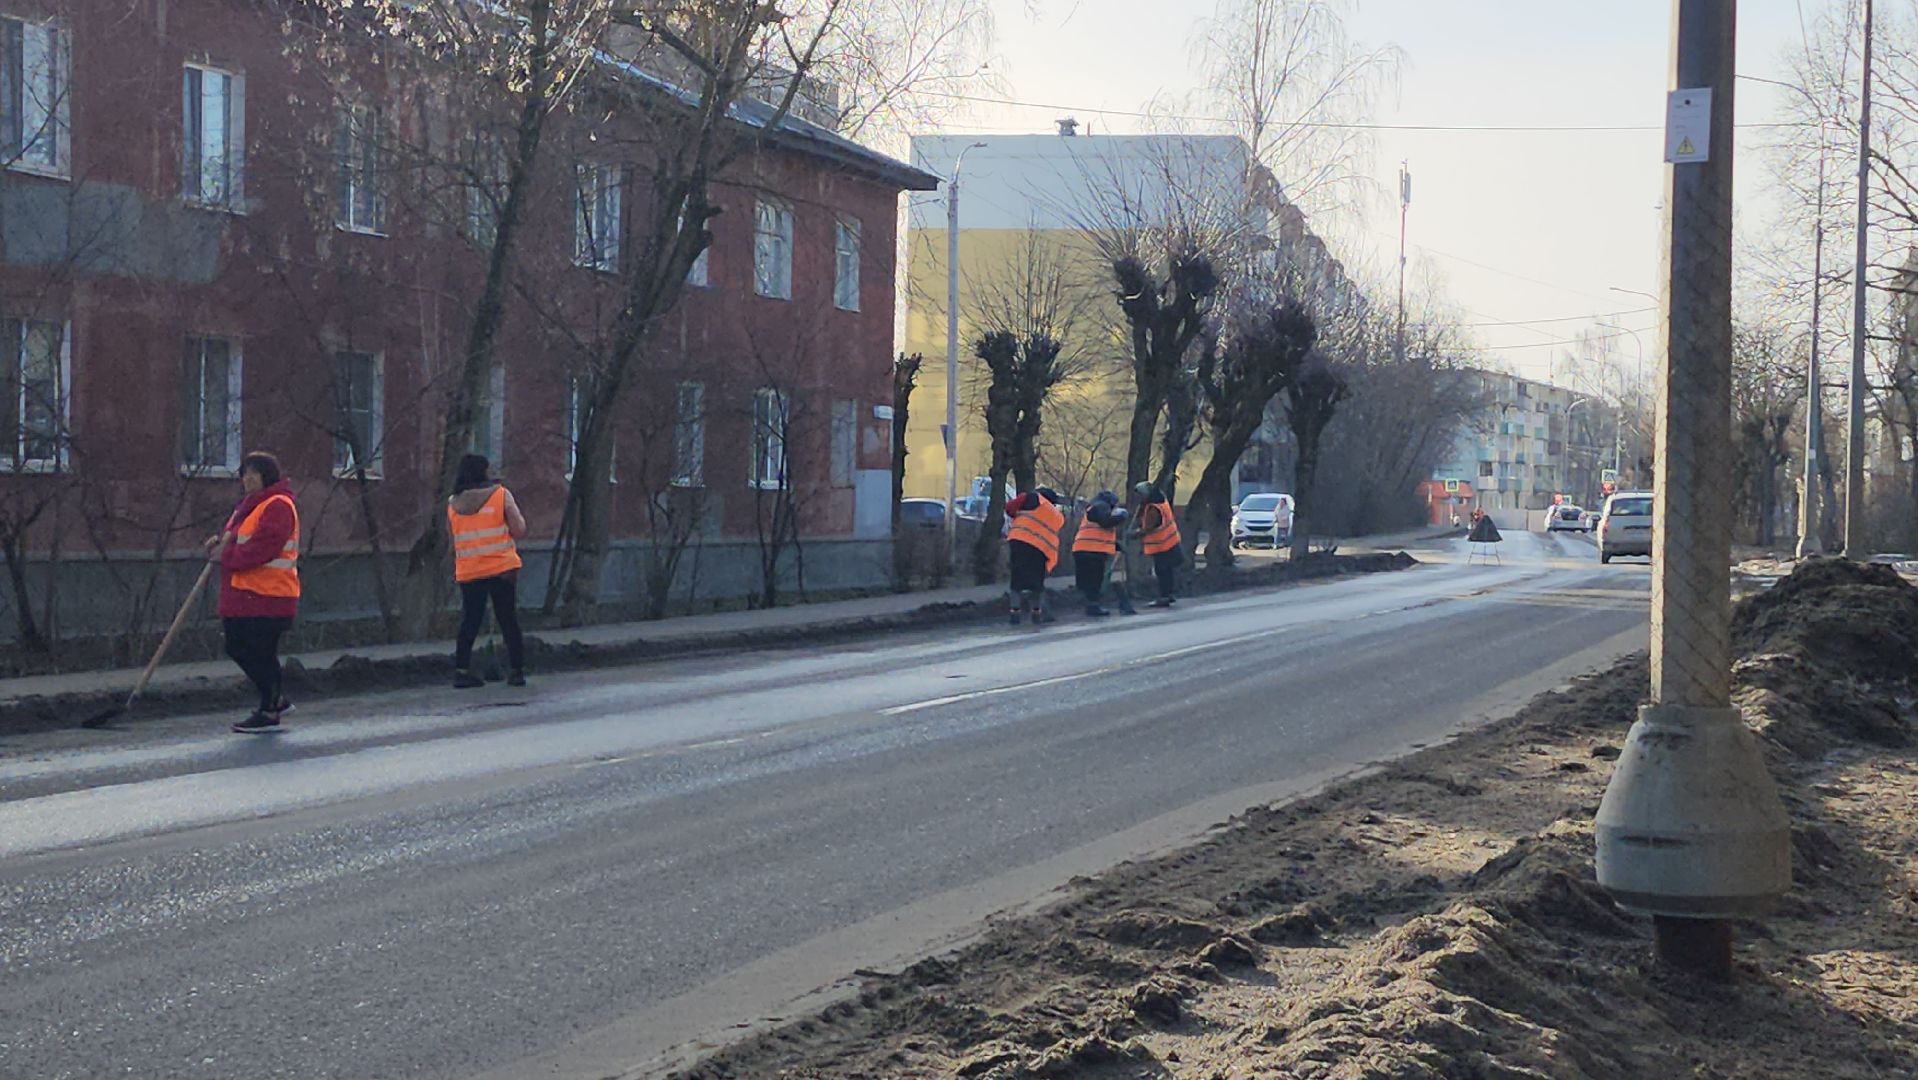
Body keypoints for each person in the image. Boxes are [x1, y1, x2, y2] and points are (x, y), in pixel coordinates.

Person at [208, 451, 299, 734]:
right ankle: (274, 699)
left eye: (254, 473)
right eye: (245, 473)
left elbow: (263, 548)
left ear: (267, 476)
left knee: (257, 651)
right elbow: (237, 541)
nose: (247, 478)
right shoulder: (247, 507)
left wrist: (226, 556)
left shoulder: (278, 505)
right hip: (244, 594)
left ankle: (270, 708)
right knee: (241, 647)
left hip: (268, 595)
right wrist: (218, 545)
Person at [448, 454, 528, 688]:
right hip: (501, 567)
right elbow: (519, 528)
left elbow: (452, 537)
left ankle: (461, 671)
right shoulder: (500, 495)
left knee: (470, 621)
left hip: (469, 570)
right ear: (483, 472)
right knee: (508, 619)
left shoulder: (453, 503)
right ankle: (516, 671)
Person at [1004, 487, 1065, 626]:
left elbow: (1009, 508)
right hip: (1041, 549)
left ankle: (1015, 613)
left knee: (1017, 579)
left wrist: (1018, 514)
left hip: (1020, 541)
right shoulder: (1058, 516)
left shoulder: (1032, 497)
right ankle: (1037, 613)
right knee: (1037, 582)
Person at [1071, 490, 1130, 617]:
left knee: (1089, 580)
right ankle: (1093, 606)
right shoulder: (1101, 506)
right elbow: (1105, 522)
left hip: (1083, 549)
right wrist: (1121, 517)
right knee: (1094, 580)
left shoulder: (1094, 508)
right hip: (1092, 551)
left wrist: (1116, 546)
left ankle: (1090, 604)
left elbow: (1099, 531)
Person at [1133, 481, 1183, 607]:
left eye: (1140, 495)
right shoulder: (1161, 502)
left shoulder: (1153, 508)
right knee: (1167, 571)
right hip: (1170, 542)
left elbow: (1149, 527)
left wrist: (1134, 534)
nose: (1139, 498)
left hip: (1162, 545)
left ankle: (1164, 596)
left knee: (1162, 572)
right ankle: (1168, 594)